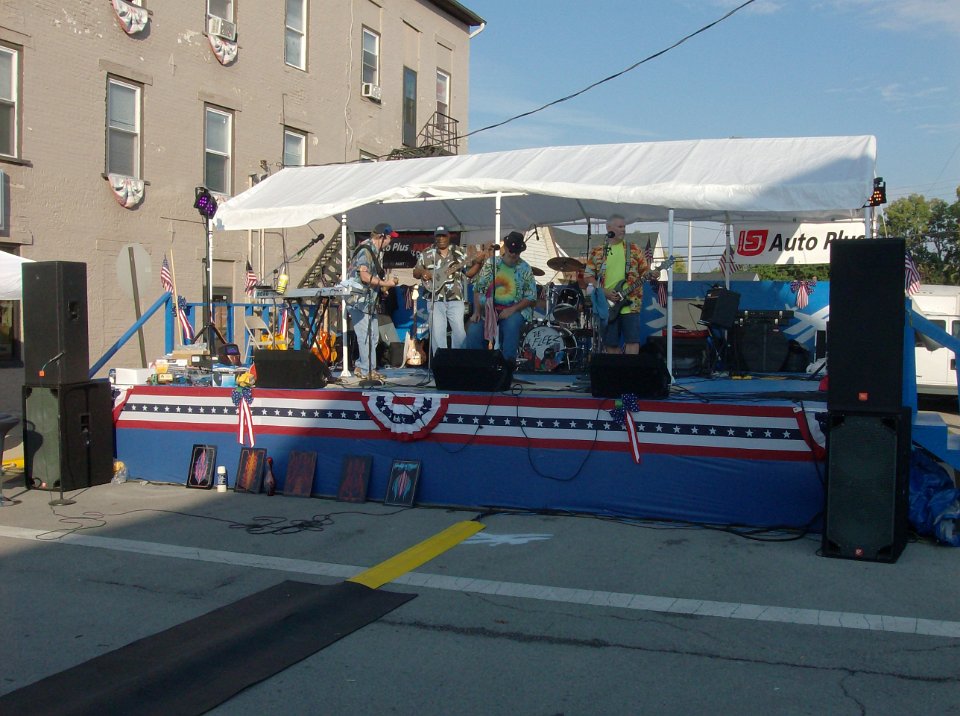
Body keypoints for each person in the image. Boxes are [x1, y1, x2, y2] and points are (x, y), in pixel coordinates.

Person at [584, 214, 654, 354]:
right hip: (607, 305)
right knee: (610, 343)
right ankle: (618, 367)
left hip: (631, 304)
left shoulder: (634, 249)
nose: (623, 230)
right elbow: (588, 277)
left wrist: (653, 273)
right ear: (609, 228)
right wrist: (604, 291)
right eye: (620, 226)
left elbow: (645, 272)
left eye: (624, 227)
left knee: (632, 341)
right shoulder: (598, 252)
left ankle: (629, 368)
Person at [412, 226, 486, 354]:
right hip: (434, 298)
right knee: (437, 333)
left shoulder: (459, 252)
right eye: (438, 236)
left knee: (459, 332)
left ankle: (458, 360)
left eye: (443, 236)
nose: (441, 239)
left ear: (449, 236)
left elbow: (469, 274)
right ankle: (440, 361)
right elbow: (415, 272)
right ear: (435, 237)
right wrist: (423, 272)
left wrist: (478, 263)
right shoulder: (427, 253)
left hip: (455, 298)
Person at [466, 231, 538, 362]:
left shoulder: (525, 268)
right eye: (511, 250)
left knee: (511, 326)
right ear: (505, 248)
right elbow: (478, 288)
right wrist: (476, 312)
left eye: (517, 252)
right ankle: (478, 365)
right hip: (487, 310)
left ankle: (507, 365)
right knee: (474, 330)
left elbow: (531, 296)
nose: (513, 254)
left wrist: (511, 309)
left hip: (513, 311)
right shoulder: (492, 263)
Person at [348, 222, 399, 381]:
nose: (390, 240)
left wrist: (383, 288)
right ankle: (368, 371)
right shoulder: (366, 250)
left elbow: (371, 277)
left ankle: (361, 366)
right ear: (382, 237)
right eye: (389, 237)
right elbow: (364, 276)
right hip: (359, 301)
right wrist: (385, 283)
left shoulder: (376, 252)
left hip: (369, 301)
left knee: (374, 336)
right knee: (366, 336)